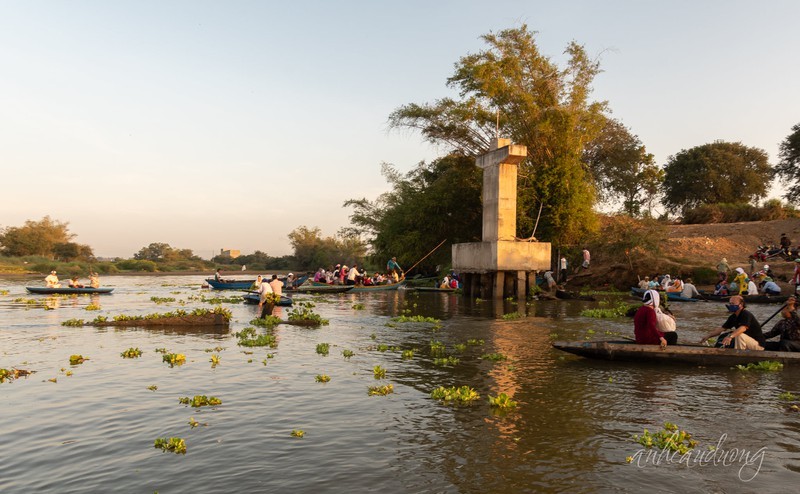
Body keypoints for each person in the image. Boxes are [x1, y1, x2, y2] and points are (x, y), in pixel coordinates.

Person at [699, 295, 765, 350]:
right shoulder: (733, 317)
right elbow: (722, 328)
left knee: (739, 335)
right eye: (730, 303)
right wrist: (708, 336)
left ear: (741, 304)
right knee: (726, 334)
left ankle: (739, 355)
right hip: (746, 343)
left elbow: (743, 328)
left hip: (758, 345)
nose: (731, 305)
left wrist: (730, 337)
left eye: (733, 304)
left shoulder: (746, 314)